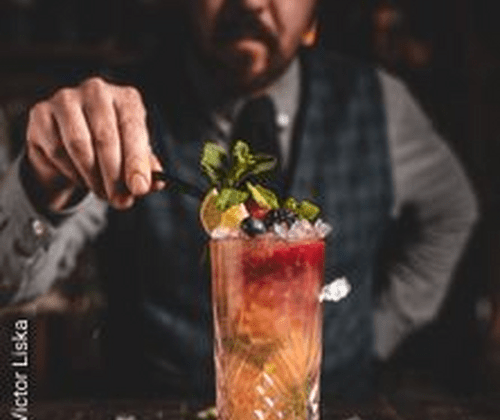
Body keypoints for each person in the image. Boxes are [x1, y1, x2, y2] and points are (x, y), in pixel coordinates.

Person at [0, 0, 478, 402]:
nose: (250, 3)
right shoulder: (118, 117)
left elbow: (453, 211)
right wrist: (43, 185)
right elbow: (10, 288)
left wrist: (378, 333)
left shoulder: (381, 102)